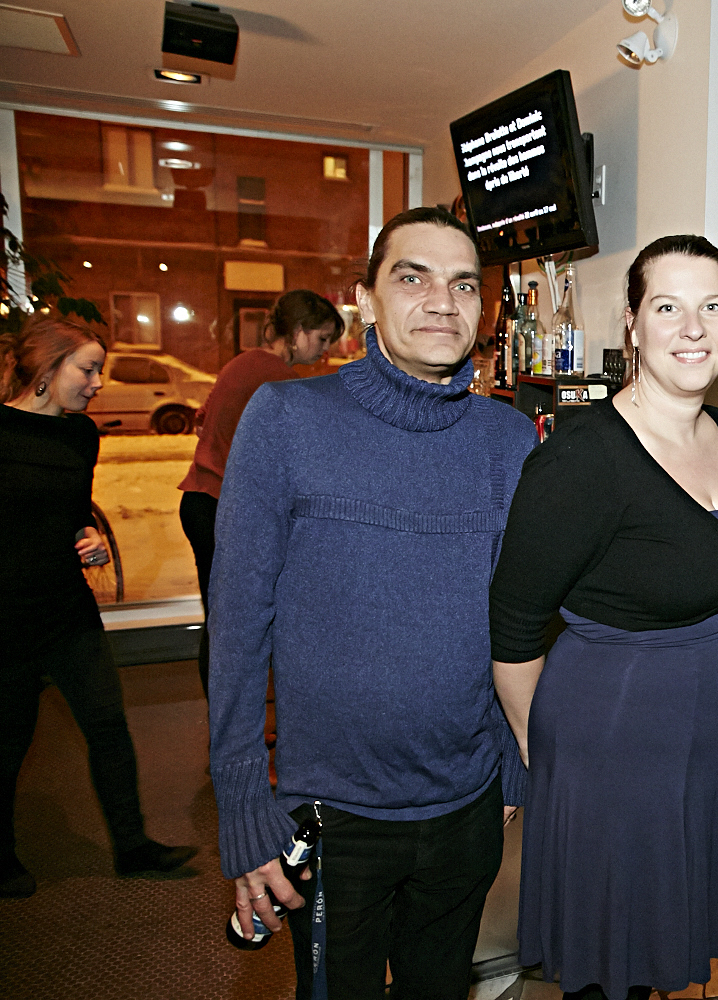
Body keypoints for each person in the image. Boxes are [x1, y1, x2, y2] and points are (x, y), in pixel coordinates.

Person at [210, 207, 535, 999]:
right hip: (330, 813)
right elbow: (237, 624)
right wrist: (244, 801)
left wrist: (511, 773)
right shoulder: (287, 420)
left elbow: (516, 619)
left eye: (464, 284)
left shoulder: (509, 437)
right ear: (364, 300)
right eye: (411, 277)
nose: (442, 301)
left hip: (466, 805)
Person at [489, 235, 718, 1000]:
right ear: (632, 325)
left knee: (660, 953)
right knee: (611, 968)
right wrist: (548, 754)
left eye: (711, 306)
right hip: (612, 744)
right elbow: (514, 624)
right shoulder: (583, 458)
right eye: (668, 307)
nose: (693, 327)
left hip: (708, 740)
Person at [1, 315, 197, 899]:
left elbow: (72, 508)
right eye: (87, 369)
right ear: (46, 368)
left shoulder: (81, 435)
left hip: (67, 608)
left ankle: (133, 846)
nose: (97, 382)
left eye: (99, 371)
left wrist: (86, 533)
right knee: (10, 741)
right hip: (7, 615)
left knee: (109, 725)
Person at [178, 289, 343, 697]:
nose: (323, 351)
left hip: (201, 498)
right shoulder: (277, 377)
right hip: (219, 505)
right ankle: (232, 736)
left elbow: (204, 419)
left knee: (220, 619)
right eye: (321, 339)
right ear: (299, 331)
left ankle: (227, 729)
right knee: (229, 626)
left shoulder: (242, 363)